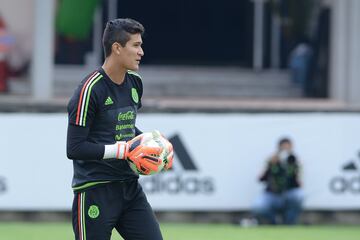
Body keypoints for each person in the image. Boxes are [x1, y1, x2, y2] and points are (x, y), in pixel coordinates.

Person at [66, 18, 173, 240]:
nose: (141, 52)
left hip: (129, 187)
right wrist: (122, 151)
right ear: (117, 48)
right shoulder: (89, 90)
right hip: (95, 190)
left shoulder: (135, 82)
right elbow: (75, 148)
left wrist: (153, 145)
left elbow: (124, 126)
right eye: (135, 45)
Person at [253, 137, 304, 225]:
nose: (285, 151)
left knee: (299, 195)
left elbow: (299, 183)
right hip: (272, 194)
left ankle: (289, 222)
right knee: (258, 207)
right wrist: (270, 165)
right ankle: (274, 221)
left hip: (288, 193)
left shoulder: (294, 161)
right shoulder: (272, 161)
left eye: (287, 148)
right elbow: (261, 179)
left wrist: (295, 166)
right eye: (283, 148)